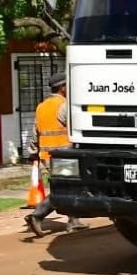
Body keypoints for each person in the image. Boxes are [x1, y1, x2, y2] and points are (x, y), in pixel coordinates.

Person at [27, 72, 86, 236]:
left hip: (46, 156)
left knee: (67, 187)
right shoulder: (64, 105)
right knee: (66, 189)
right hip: (63, 155)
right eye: (68, 86)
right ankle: (37, 215)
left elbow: (35, 133)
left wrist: (33, 153)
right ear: (62, 88)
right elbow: (76, 129)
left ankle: (74, 221)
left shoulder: (41, 107)